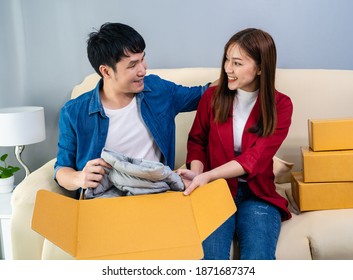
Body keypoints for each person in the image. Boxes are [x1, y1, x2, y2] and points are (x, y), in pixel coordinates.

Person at [177, 28, 293, 260]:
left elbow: (256, 158)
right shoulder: (211, 98)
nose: (228, 69)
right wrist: (197, 174)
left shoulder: (281, 105)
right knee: (209, 261)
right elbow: (197, 140)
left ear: (260, 68)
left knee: (258, 259)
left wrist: (209, 175)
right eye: (227, 60)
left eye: (237, 63)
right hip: (215, 193)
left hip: (257, 195)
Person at [54, 22, 211, 194]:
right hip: (105, 198)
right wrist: (79, 177)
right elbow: (62, 169)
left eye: (142, 59)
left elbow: (205, 94)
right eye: (132, 65)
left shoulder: (158, 90)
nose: (143, 70)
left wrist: (235, 75)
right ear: (106, 72)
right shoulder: (74, 112)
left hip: (156, 193)